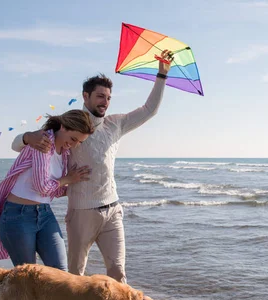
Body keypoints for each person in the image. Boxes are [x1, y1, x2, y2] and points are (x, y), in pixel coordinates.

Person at [11, 49, 173, 285]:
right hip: (81, 212)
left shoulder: (115, 124)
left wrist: (161, 75)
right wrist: (26, 137)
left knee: (118, 274)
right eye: (100, 96)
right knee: (75, 276)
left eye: (108, 97)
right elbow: (20, 145)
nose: (105, 102)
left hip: (112, 210)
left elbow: (150, 110)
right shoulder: (71, 124)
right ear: (85, 96)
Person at [0, 109, 93, 300]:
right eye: (74, 138)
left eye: (79, 142)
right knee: (30, 279)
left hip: (44, 216)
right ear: (64, 126)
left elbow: (51, 192)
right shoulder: (43, 143)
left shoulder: (64, 152)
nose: (73, 144)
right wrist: (67, 180)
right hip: (17, 217)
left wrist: (72, 185)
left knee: (62, 277)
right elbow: (40, 185)